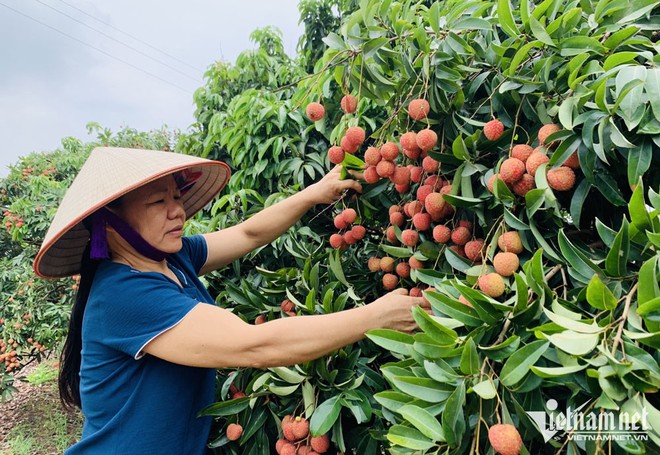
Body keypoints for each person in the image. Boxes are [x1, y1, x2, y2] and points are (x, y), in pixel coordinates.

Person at [34, 146, 428, 454]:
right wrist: (375, 317)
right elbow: (254, 345)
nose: (178, 212)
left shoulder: (172, 257)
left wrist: (313, 193)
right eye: (159, 202)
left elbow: (247, 235)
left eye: (177, 196)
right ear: (110, 222)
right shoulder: (123, 294)